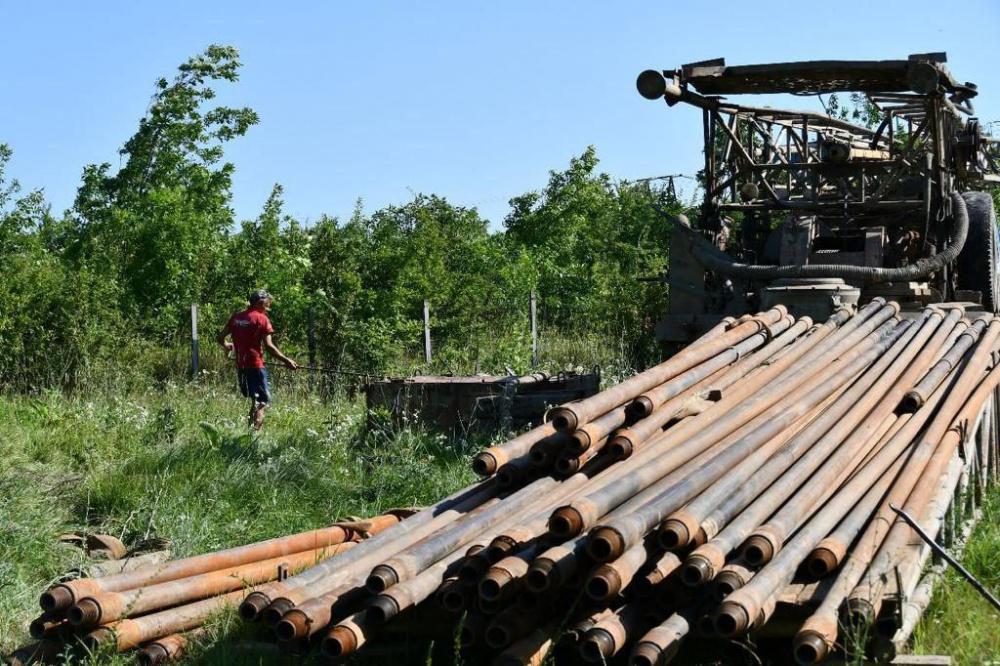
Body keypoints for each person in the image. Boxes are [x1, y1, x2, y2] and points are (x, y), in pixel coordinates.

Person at [217, 289, 298, 429]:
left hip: (241, 366)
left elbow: (219, 338)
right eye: (267, 302)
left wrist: (227, 345)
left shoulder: (236, 317)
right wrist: (287, 361)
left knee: (255, 401)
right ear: (260, 302)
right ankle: (255, 438)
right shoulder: (262, 319)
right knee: (262, 402)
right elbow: (269, 347)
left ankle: (248, 434)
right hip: (255, 366)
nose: (269, 305)